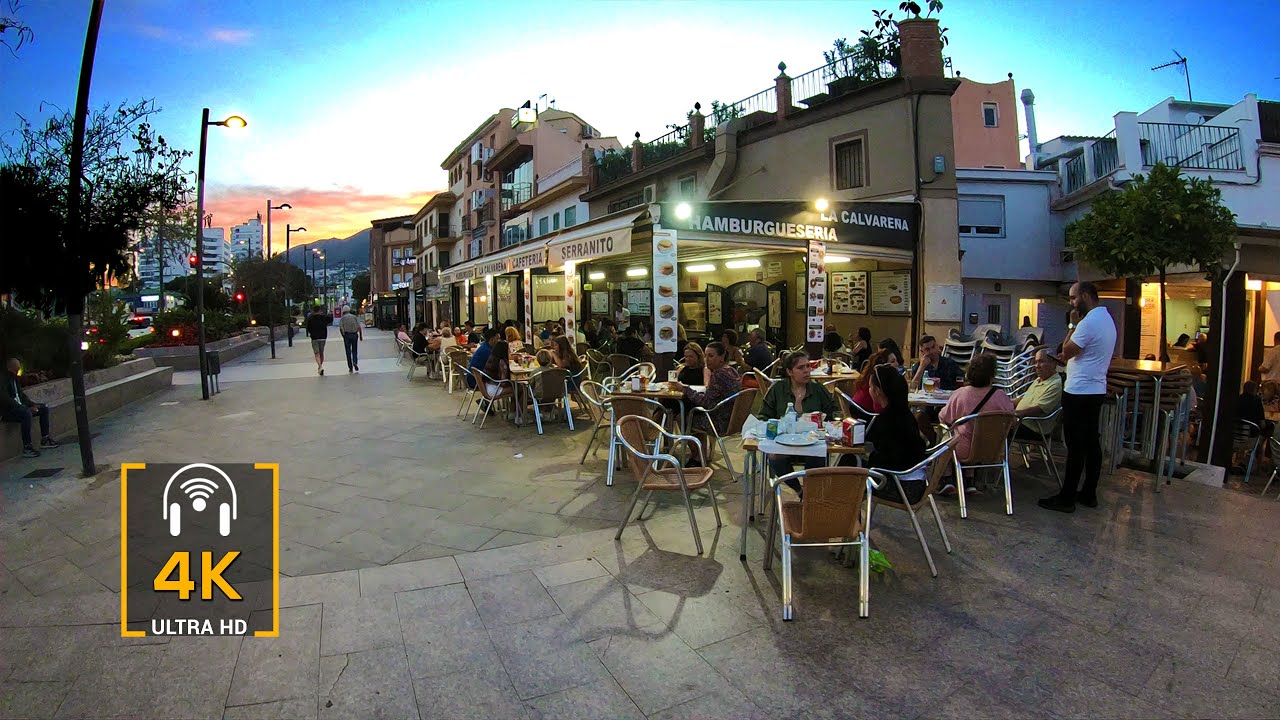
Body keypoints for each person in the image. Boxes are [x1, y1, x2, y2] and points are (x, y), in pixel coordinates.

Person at [1039, 281, 1116, 513]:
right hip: (1095, 389)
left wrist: (1073, 322)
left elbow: (1065, 352)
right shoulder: (1107, 319)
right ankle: (1089, 492)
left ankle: (1067, 497)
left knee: (1075, 445)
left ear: (1084, 295)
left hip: (1079, 391)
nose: (1072, 303)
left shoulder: (1088, 322)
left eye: (1073, 298)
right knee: (1092, 442)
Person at [760, 351, 837, 481]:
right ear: (790, 372)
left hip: (813, 443)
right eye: (801, 368)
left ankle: (809, 493)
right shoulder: (778, 389)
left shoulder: (818, 389)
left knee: (818, 458)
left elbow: (834, 414)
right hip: (783, 443)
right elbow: (763, 416)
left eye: (808, 366)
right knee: (774, 457)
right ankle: (800, 492)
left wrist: (826, 423)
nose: (807, 371)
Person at [939, 353, 1016, 473]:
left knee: (947, 433)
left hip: (965, 450)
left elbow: (944, 418)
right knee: (973, 431)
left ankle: (946, 477)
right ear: (992, 375)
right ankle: (969, 480)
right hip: (994, 449)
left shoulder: (961, 394)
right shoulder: (1001, 396)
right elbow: (1012, 420)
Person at [862, 364, 929, 503]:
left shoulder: (886, 421)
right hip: (918, 481)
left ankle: (845, 520)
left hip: (904, 488)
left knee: (848, 473)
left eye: (870, 387)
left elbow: (888, 461)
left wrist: (868, 458)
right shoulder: (905, 414)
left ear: (877, 391)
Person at [669, 341, 741, 467]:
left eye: (711, 356)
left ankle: (697, 456)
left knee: (683, 417)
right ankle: (699, 454)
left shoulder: (718, 374)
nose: (707, 360)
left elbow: (706, 403)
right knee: (692, 413)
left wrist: (685, 389)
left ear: (722, 357)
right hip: (731, 419)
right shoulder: (732, 371)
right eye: (706, 355)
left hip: (718, 421)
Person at [3, 358, 58, 458]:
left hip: (20, 408)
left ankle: (45, 439)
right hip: (8, 411)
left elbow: (21, 396)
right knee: (26, 413)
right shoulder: (4, 380)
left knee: (44, 408)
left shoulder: (15, 379)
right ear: (10, 368)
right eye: (15, 370)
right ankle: (27, 446)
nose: (17, 372)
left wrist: (32, 404)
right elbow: (7, 400)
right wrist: (24, 408)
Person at [1013, 349, 1063, 441]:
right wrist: (1003, 403)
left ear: (1053, 363)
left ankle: (992, 454)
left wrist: (1013, 414)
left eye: (1041, 361)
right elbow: (1024, 399)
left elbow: (1038, 410)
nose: (1037, 366)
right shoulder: (1039, 379)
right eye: (1036, 362)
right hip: (1020, 422)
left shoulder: (1056, 384)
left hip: (1034, 429)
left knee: (994, 426)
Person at [849, 348, 898, 415]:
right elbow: (879, 409)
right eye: (892, 361)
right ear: (883, 364)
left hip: (856, 409)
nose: (897, 364)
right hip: (866, 415)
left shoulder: (869, 375)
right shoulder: (877, 379)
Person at [305, 305, 333, 376]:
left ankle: (320, 366)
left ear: (313, 311)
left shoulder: (310, 318)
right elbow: (330, 319)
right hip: (323, 337)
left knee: (316, 353)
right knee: (321, 353)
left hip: (314, 338)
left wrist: (311, 333)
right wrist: (330, 313)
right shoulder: (323, 317)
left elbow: (308, 328)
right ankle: (320, 367)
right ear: (320, 310)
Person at [339, 306, 363, 373]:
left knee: (348, 351)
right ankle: (355, 361)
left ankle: (350, 367)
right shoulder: (354, 317)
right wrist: (361, 336)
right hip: (354, 335)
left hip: (347, 335)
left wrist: (343, 335)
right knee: (354, 350)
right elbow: (359, 327)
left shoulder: (343, 318)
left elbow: (341, 328)